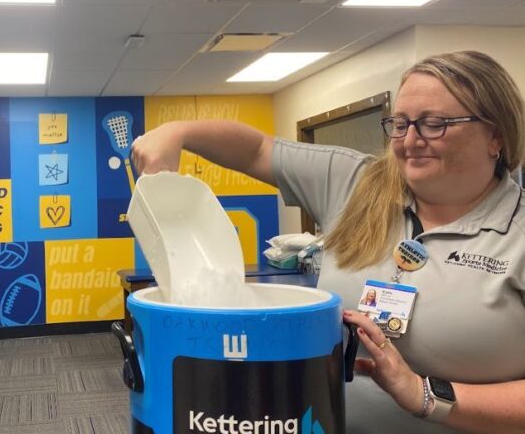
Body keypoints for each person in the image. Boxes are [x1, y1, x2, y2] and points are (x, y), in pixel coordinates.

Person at [130, 51, 525, 433]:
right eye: (400, 124)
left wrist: (424, 394)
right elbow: (255, 149)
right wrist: (176, 132)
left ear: (497, 135)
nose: (409, 140)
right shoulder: (355, 182)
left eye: (434, 123)